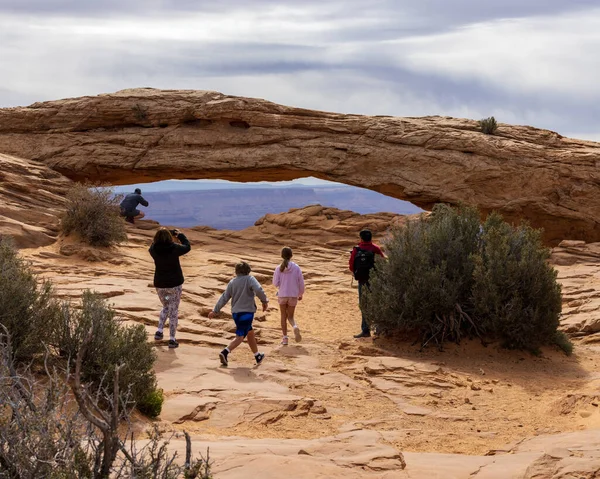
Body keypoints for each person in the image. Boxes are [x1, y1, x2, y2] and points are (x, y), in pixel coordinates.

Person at [208, 262, 269, 366]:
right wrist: (264, 301)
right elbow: (258, 289)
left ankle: (257, 355)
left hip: (236, 313)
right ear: (248, 270)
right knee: (240, 336)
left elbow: (224, 297)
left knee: (250, 333)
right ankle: (225, 352)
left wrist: (215, 310)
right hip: (247, 313)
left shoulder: (232, 282)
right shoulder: (250, 279)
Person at [149, 227, 191, 348]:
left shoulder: (153, 250)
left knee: (166, 306)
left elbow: (153, 244)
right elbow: (187, 247)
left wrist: (159, 236)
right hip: (174, 285)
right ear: (169, 238)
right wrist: (180, 235)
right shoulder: (174, 248)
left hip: (161, 286)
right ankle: (172, 339)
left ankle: (159, 331)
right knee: (173, 311)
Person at [349, 229, 384, 338]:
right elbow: (382, 261)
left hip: (362, 280)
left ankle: (365, 330)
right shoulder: (375, 248)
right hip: (375, 280)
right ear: (371, 238)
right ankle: (379, 329)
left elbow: (351, 264)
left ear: (361, 238)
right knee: (377, 303)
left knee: (364, 305)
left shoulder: (357, 249)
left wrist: (356, 273)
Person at [273, 247, 305, 346]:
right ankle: (294, 326)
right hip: (293, 295)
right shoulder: (296, 267)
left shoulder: (279, 268)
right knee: (290, 316)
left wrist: (281, 285)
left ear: (282, 256)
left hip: (282, 295)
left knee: (283, 316)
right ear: (291, 255)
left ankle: (285, 338)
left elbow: (275, 283)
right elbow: (301, 283)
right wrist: (300, 294)